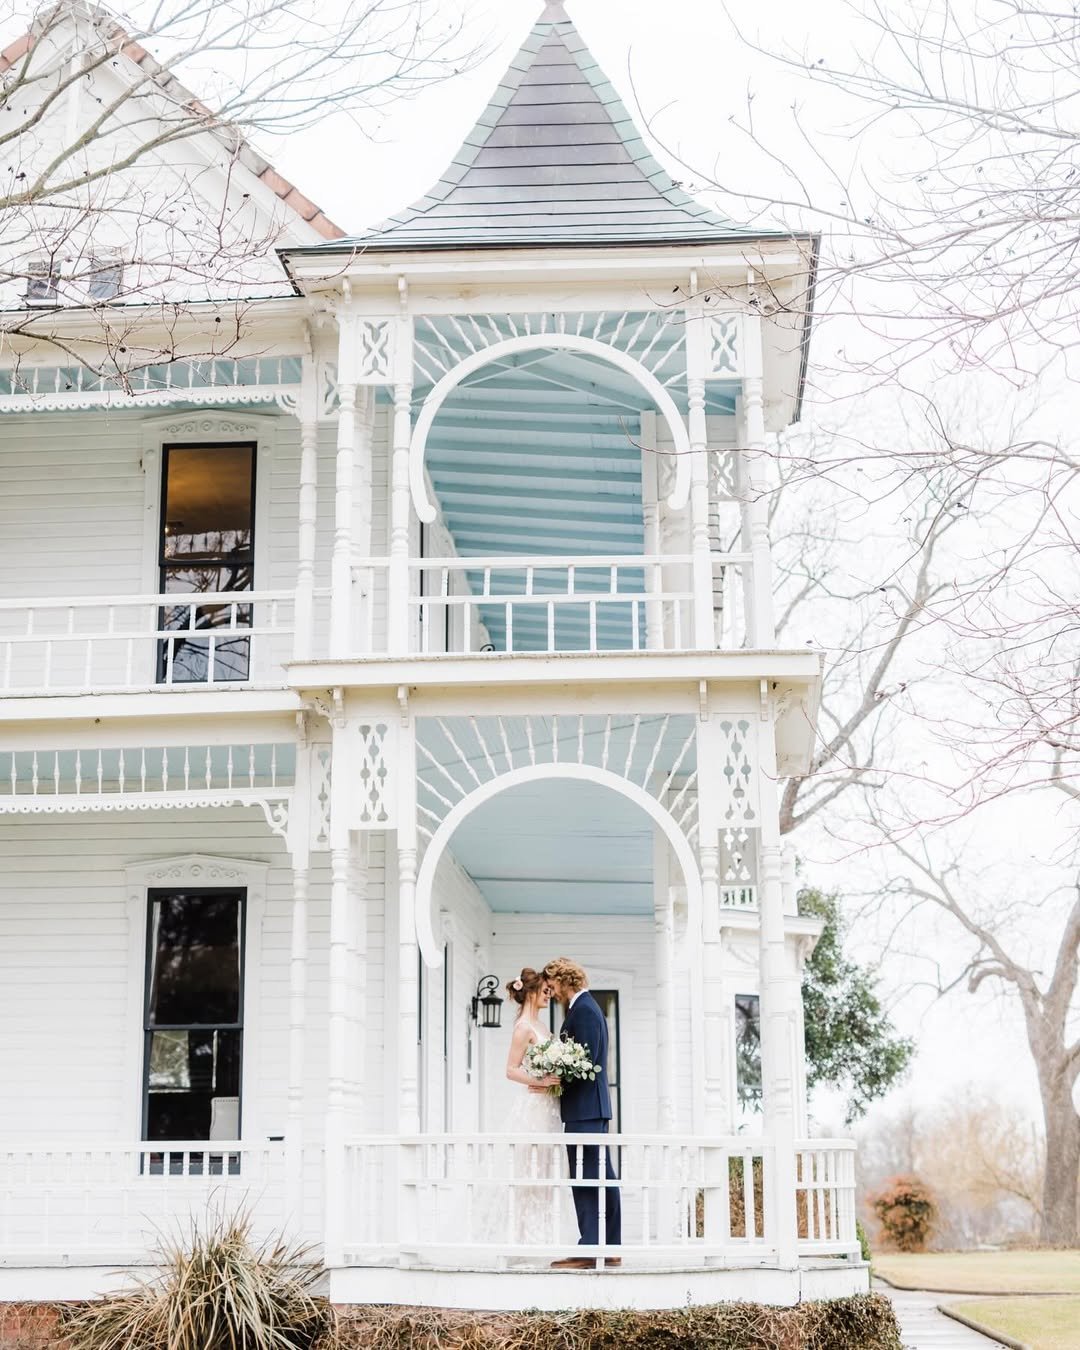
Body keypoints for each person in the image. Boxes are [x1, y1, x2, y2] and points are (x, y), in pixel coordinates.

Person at [542, 957, 622, 1269]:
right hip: (587, 1108)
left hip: (586, 1108)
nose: (552, 992)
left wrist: (555, 1073)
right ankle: (606, 1247)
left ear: (564, 980)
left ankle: (593, 1249)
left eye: (553, 985)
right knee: (597, 1175)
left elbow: (584, 1064)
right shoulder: (585, 1008)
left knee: (589, 1177)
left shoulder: (585, 1011)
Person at [501, 967, 561, 1249]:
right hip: (533, 1108)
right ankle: (521, 1241)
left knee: (545, 1174)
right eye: (545, 991)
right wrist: (540, 1080)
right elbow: (511, 1071)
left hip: (549, 1107)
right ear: (532, 992)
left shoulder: (542, 1027)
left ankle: (542, 1240)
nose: (549, 995)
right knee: (530, 1174)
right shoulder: (524, 1028)